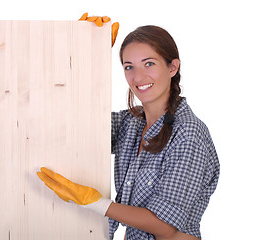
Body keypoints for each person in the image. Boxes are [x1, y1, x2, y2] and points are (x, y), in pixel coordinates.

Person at [37, 25, 220, 240]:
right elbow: (75, 123)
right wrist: (83, 52)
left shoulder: (188, 133)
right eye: (128, 67)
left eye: (149, 64)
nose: (138, 77)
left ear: (173, 68)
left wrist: (95, 203)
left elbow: (164, 225)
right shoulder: (131, 123)